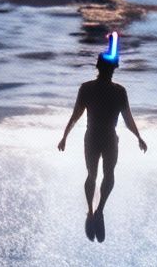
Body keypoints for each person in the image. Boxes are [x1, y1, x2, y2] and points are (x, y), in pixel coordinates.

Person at [56, 39, 146, 241]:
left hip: (106, 137)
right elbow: (76, 115)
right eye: (109, 68)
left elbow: (128, 119)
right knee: (94, 175)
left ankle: (98, 211)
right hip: (96, 137)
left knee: (106, 175)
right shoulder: (90, 89)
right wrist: (64, 136)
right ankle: (92, 212)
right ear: (108, 68)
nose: (110, 72)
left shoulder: (116, 91)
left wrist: (139, 137)